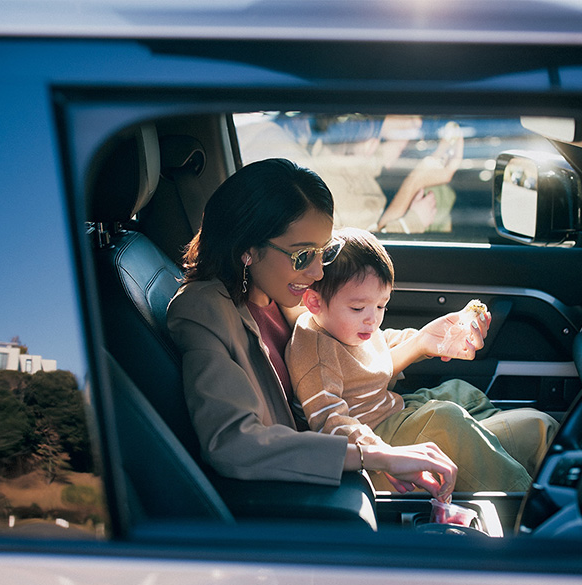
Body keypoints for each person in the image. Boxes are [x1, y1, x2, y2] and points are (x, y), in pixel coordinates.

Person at [167, 158, 490, 500]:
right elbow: (233, 442)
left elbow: (345, 362)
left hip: (362, 428)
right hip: (313, 484)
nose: (319, 272)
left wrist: (422, 342)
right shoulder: (203, 310)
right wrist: (374, 455)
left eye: (324, 252)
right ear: (248, 251)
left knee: (527, 428)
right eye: (302, 256)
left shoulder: (277, 294)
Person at [285, 228, 556, 492]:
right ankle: (523, 500)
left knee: (461, 392)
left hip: (397, 412)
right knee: (444, 418)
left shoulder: (348, 327)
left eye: (381, 306)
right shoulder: (314, 353)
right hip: (376, 440)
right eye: (358, 308)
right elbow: (330, 423)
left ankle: (492, 448)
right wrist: (383, 455)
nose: (372, 319)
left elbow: (385, 341)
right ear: (315, 303)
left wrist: (431, 338)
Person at [237, 113, 462, 233]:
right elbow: (360, 262)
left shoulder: (350, 172)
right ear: (371, 142)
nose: (412, 142)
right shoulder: (329, 188)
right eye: (406, 134)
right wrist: (415, 189)